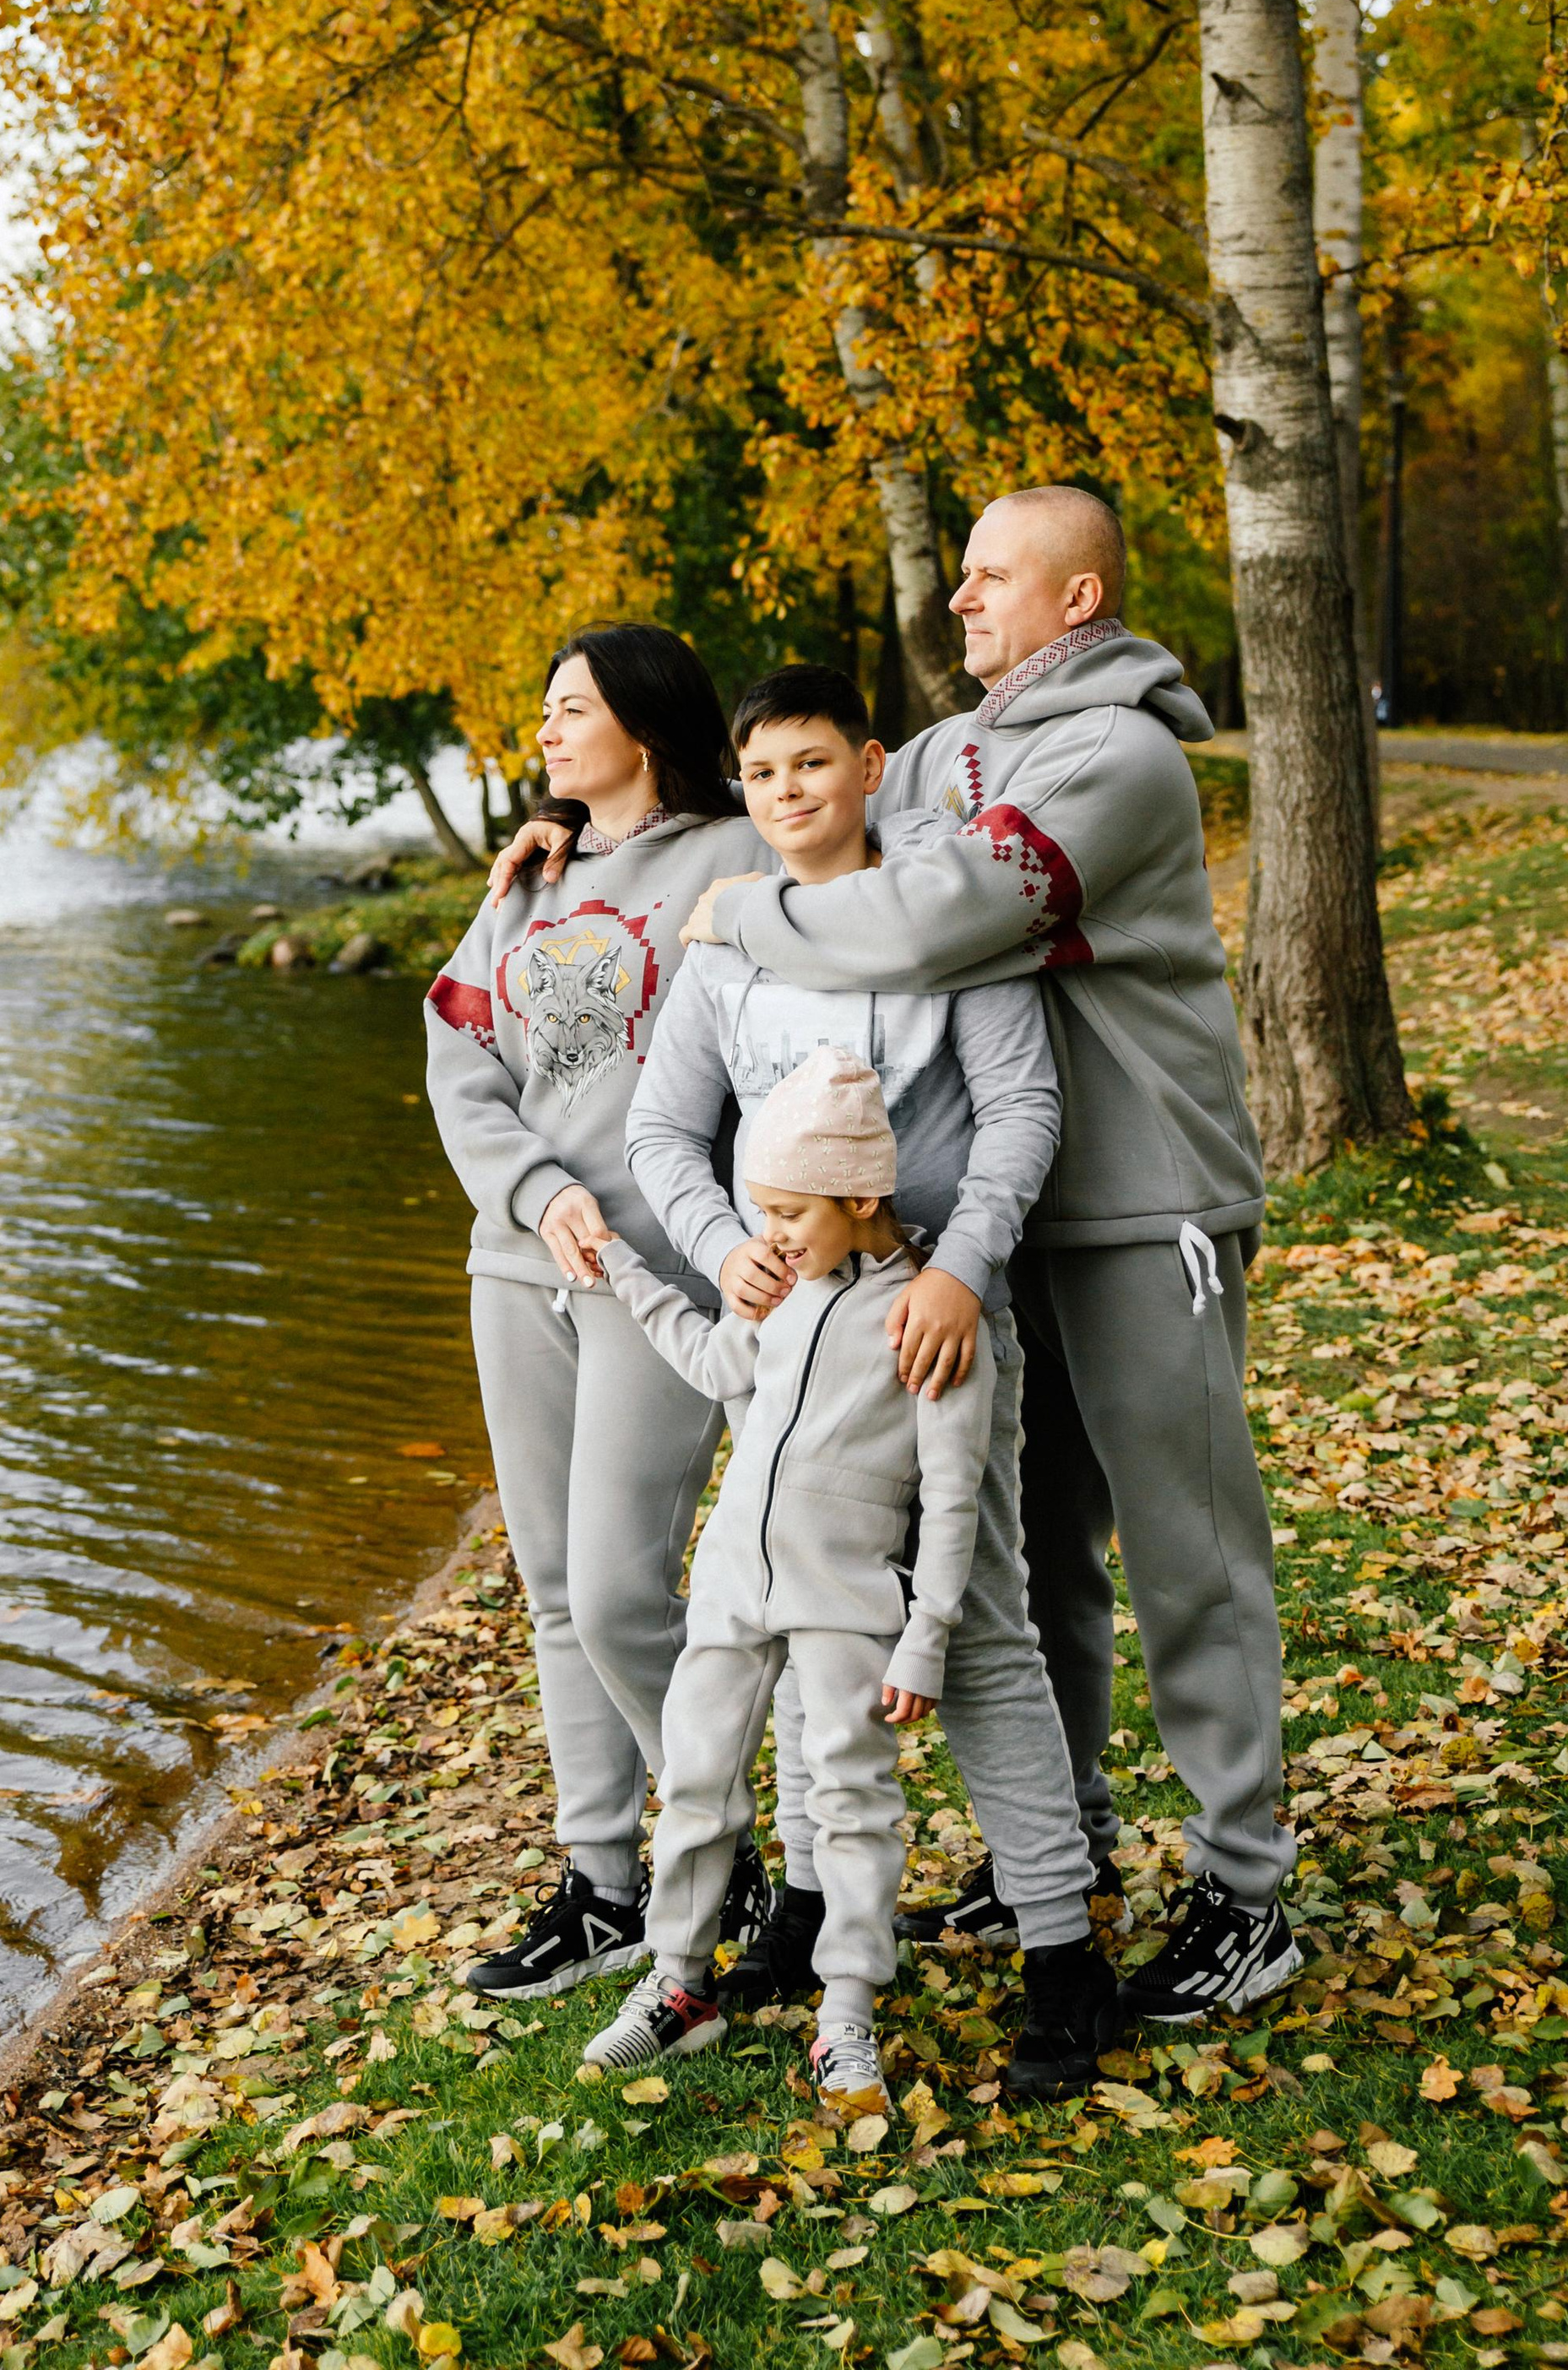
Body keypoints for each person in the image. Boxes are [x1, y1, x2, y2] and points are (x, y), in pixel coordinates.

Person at [496, 493, 1297, 2028]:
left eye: (991, 578)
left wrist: (749, 915)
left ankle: (1245, 1893)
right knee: (1036, 1558)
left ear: (1077, 598)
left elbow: (932, 919)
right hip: (997, 1234)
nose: (962, 600)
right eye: (965, 574)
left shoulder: (1118, 755)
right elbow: (798, 797)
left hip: (1145, 1199)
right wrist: (574, 850)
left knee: (1189, 1555)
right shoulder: (944, 754)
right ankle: (1062, 1851)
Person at [624, 664, 1110, 2080]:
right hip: (792, 1344)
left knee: (983, 1631)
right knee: (796, 1621)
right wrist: (728, 1249)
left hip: (933, 1324)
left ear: (870, 765)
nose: (788, 793)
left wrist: (962, 1268)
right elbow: (663, 1132)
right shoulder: (726, 944)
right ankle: (804, 1912)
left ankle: (1062, 1954)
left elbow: (1022, 1106)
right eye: (763, 772)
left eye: (814, 764)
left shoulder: (942, 919)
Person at [581, 1048, 1115, 2110]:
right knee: (695, 1785)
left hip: (845, 1603)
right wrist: (627, 1274)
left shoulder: (928, 1318)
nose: (768, 1232)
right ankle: (678, 1985)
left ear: (861, 1198)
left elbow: (955, 1498)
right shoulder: (781, 1293)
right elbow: (716, 1364)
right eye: (761, 1208)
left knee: (852, 1803)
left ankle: (847, 2017)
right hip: (733, 1586)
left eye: (789, 1211)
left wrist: (926, 1636)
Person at [423, 621, 775, 1999]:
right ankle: (604, 1889)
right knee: (556, 1592)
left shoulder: (742, 851)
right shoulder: (534, 875)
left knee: (624, 1588)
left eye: (571, 708)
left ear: (643, 719)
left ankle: (724, 1846)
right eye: (546, 710)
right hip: (520, 1267)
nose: (547, 730)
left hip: (660, 1273)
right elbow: (459, 1048)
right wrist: (532, 1192)